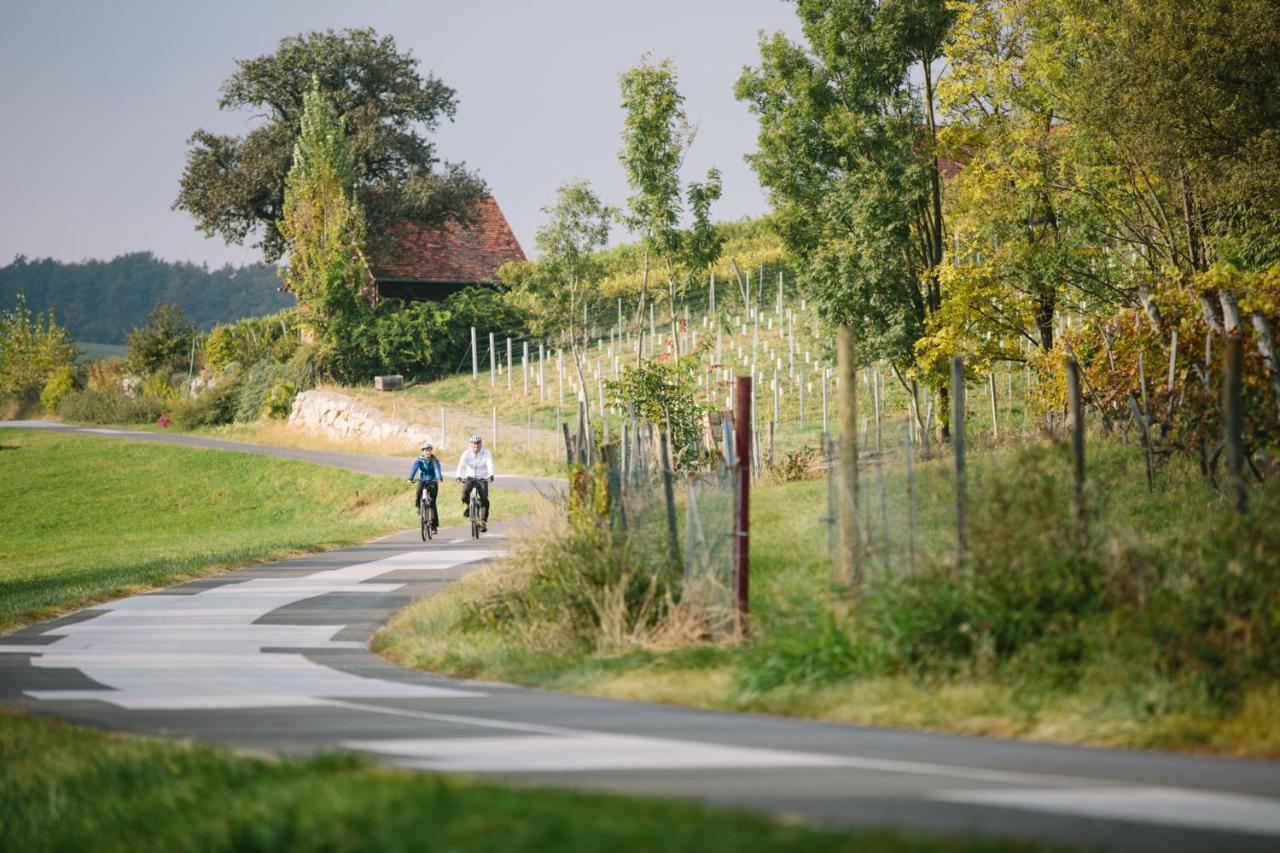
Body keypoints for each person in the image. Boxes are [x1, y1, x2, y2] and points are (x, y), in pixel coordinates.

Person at [455, 434, 495, 529]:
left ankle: (483, 521)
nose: (476, 446)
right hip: (470, 477)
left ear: (481, 444)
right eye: (474, 444)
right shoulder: (466, 453)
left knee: (484, 499)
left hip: (482, 478)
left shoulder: (486, 453)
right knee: (464, 493)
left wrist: (491, 475)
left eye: (478, 444)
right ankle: (469, 506)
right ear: (471, 444)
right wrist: (458, 476)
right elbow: (461, 465)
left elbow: (490, 464)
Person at [407, 442, 442, 533]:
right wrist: (410, 478)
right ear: (423, 452)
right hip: (422, 480)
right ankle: (418, 506)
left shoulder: (434, 460)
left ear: (431, 451)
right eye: (425, 450)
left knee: (432, 503)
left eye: (429, 450)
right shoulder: (419, 460)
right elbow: (414, 469)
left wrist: (439, 478)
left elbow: (437, 469)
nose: (427, 452)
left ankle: (434, 526)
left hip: (432, 481)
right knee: (418, 491)